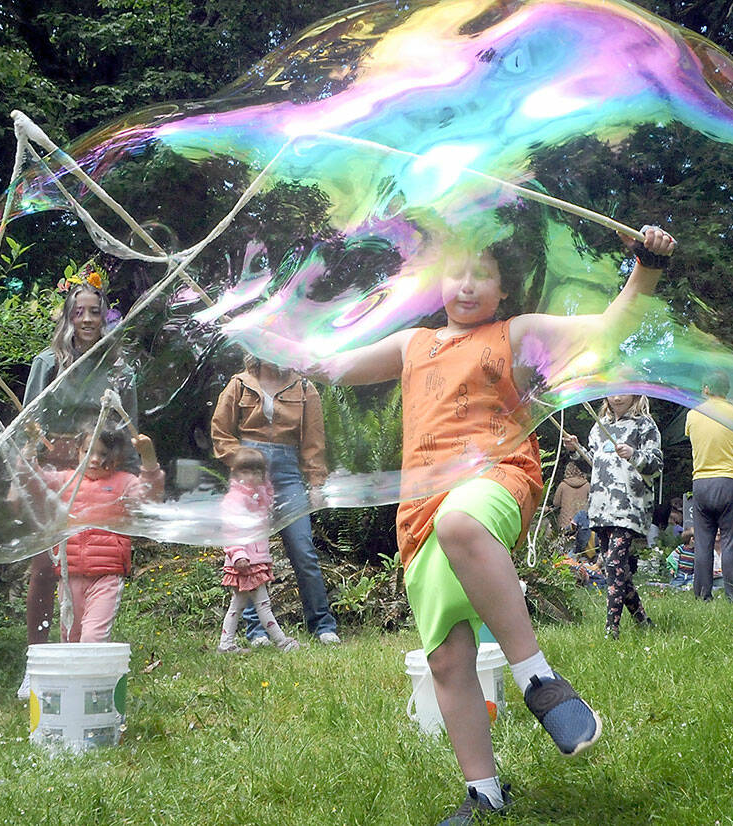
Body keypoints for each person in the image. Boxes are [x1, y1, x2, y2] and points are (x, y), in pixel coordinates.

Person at [250, 223, 676, 823]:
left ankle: (539, 681)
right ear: (437, 284)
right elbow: (330, 366)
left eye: (483, 272)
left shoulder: (517, 334)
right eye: (456, 272)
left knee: (462, 525)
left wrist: (647, 266)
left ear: (505, 287)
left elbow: (611, 327)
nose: (468, 284)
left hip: (497, 478)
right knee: (448, 660)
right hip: (419, 508)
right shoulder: (411, 344)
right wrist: (268, 329)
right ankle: (485, 793)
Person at [17, 267, 128, 697]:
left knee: (87, 565)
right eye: (79, 311)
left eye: (95, 312)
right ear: (67, 316)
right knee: (45, 567)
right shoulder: (47, 363)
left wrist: (128, 474)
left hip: (99, 472)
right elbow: (28, 420)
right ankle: (36, 661)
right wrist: (33, 452)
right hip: (56, 474)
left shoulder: (117, 367)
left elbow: (127, 424)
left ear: (104, 317)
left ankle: (78, 654)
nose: (86, 319)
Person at [211, 357, 341, 645]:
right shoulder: (239, 383)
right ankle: (256, 631)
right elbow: (220, 433)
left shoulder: (304, 386)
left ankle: (322, 624)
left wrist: (316, 483)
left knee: (302, 548)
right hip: (249, 476)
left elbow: (314, 441)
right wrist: (243, 462)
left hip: (288, 473)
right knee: (250, 551)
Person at [42, 428, 164, 643]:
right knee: (70, 636)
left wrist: (149, 458)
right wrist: (27, 450)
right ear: (79, 451)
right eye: (89, 451)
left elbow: (149, 498)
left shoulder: (125, 482)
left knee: (93, 637)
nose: (95, 459)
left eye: (104, 454)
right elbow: (31, 482)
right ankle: (75, 676)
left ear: (117, 455)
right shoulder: (66, 480)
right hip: (69, 575)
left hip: (106, 574)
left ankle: (93, 676)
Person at [563, 394, 662, 639]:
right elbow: (595, 463)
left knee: (615, 563)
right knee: (613, 567)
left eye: (623, 392)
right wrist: (576, 451)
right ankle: (642, 620)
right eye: (613, 392)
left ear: (636, 393)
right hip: (600, 507)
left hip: (628, 506)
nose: (617, 397)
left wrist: (634, 454)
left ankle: (611, 629)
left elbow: (656, 464)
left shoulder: (644, 425)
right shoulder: (600, 426)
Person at [216, 449, 300, 653]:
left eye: (257, 472)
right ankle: (282, 641)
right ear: (236, 473)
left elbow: (268, 503)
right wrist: (237, 554)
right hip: (245, 562)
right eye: (247, 472)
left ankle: (226, 645)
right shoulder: (235, 499)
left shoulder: (256, 496)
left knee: (237, 605)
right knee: (262, 604)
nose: (252, 477)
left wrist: (266, 484)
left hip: (254, 560)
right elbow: (230, 531)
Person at [685, 370, 733, 601]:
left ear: (705, 389)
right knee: (731, 541)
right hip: (729, 482)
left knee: (703, 543)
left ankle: (702, 596)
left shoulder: (693, 414)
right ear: (727, 390)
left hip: (701, 483)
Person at [551, 460, 591, 555]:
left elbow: (556, 503)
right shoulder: (587, 485)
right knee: (584, 551)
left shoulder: (563, 485)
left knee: (565, 550)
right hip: (583, 525)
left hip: (566, 524)